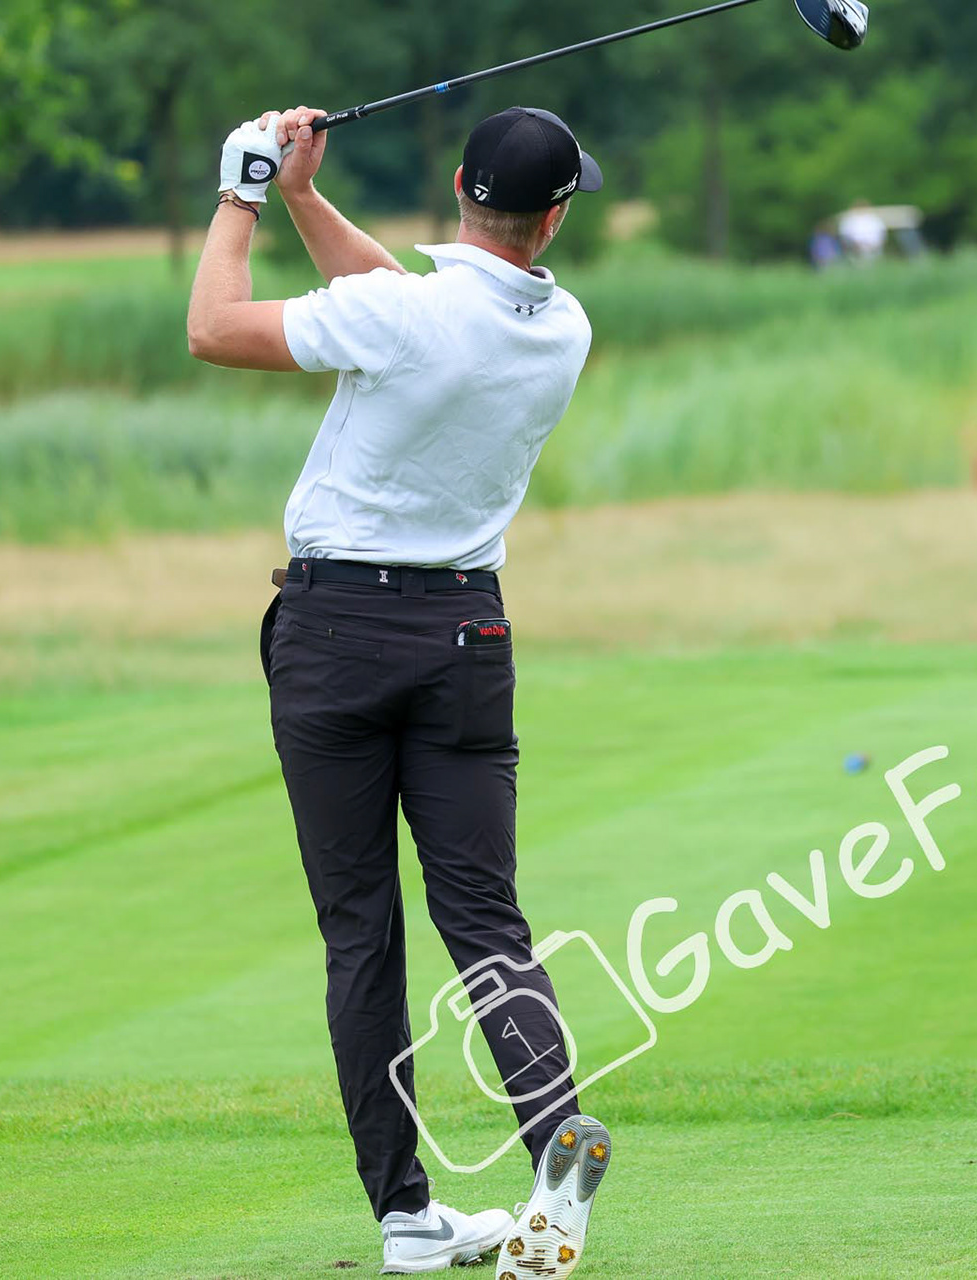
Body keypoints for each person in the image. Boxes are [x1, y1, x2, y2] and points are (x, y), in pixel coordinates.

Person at [186, 104, 615, 1279]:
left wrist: (242, 193)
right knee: (486, 920)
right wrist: (305, 197)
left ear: (462, 185)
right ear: (553, 220)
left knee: (361, 934)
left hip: (335, 635)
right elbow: (410, 301)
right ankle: (552, 1143)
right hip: (467, 632)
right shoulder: (561, 326)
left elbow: (214, 327)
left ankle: (406, 1217)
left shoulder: (408, 315)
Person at [839, 198, 888, 265]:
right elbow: (845, 235)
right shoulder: (849, 220)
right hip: (855, 245)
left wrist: (875, 244)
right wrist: (855, 244)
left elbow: (881, 233)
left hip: (873, 245)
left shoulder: (874, 219)